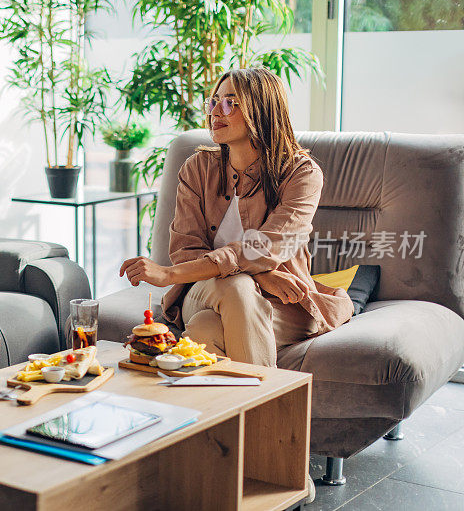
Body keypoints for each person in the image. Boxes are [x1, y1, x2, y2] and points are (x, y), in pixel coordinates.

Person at [119, 68, 354, 368]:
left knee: (206, 328)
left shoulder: (301, 174)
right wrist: (259, 275)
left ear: (261, 110)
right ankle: (267, 412)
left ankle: (221, 414)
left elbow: (268, 246)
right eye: (214, 101)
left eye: (230, 103)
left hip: (284, 304)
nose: (215, 111)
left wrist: (168, 276)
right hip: (204, 291)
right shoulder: (197, 169)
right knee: (237, 287)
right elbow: (186, 250)